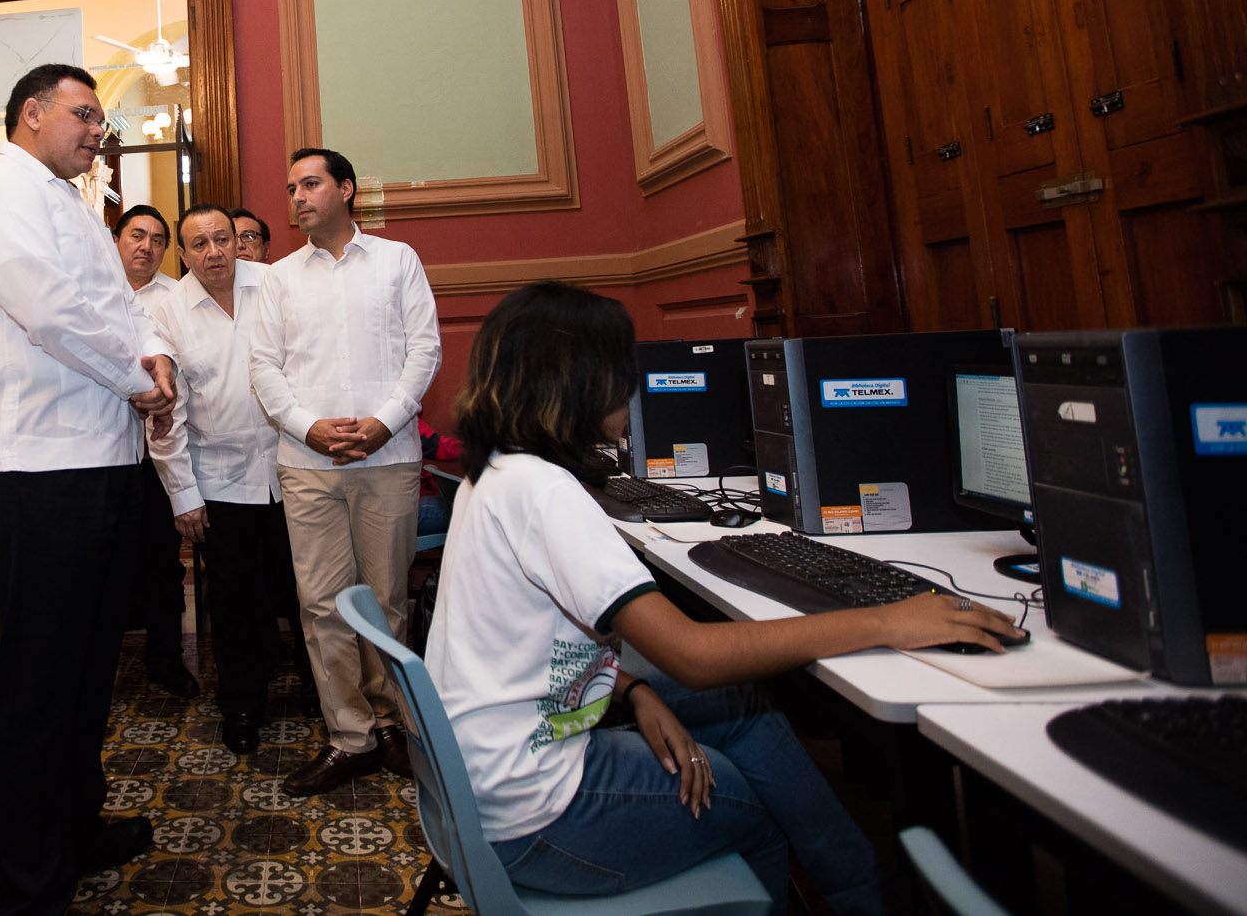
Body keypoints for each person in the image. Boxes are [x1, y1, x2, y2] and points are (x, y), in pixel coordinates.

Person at [429, 282, 1024, 914]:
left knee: (737, 705)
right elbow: (693, 654)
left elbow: (532, 644)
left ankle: (868, 893)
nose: (630, 385)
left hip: (487, 778)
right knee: (760, 817)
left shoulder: (495, 474)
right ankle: (868, 893)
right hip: (537, 815)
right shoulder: (545, 491)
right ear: (580, 378)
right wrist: (886, 621)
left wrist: (633, 690)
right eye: (620, 369)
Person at [0, 63, 176, 916]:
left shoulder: (74, 203)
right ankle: (28, 878)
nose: (97, 129)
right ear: (30, 113)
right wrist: (138, 378)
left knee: (85, 668)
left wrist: (157, 357)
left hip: (101, 453)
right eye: (84, 113)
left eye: (101, 118)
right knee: (40, 679)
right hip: (37, 464)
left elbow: (125, 304)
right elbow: (49, 311)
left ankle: (76, 825)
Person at [248, 146, 441, 796]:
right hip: (307, 463)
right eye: (291, 186)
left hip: (387, 457)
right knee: (321, 603)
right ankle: (349, 734)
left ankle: (395, 723)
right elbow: (264, 368)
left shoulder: (398, 260)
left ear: (347, 189)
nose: (298, 196)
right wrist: (310, 427)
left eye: (311, 183)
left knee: (386, 599)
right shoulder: (277, 277)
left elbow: (425, 349)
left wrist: (384, 421)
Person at [146, 203, 315, 756]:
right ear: (184, 252)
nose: (215, 252)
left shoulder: (276, 284)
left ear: (239, 241)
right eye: (199, 244)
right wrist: (182, 495)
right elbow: (166, 415)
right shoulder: (168, 312)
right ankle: (241, 706)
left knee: (310, 592)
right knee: (236, 605)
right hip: (221, 481)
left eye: (224, 238)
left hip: (296, 467)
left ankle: (325, 693)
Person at [115, 202, 196, 697]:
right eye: (137, 236)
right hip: (102, 451)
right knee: (104, 561)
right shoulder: (91, 294)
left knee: (165, 562)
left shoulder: (179, 298)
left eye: (158, 239)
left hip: (160, 453)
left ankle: (166, 659)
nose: (147, 246)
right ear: (117, 240)